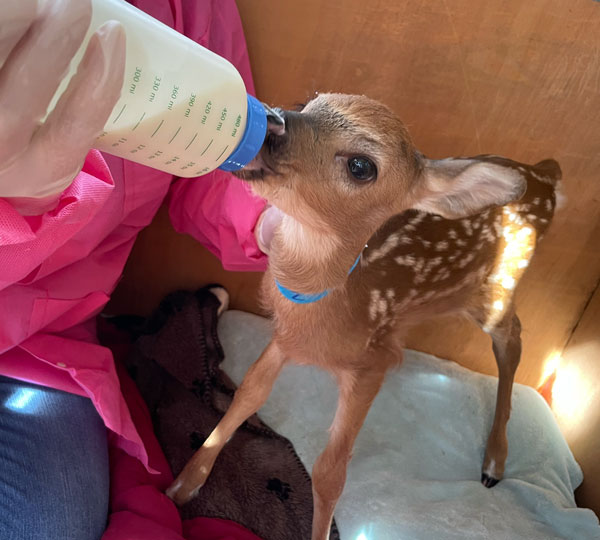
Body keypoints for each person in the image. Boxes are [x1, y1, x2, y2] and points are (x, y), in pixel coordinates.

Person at [0, 1, 270, 538]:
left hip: (40, 347)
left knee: (50, 527)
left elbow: (213, 159)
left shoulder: (194, 10)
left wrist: (274, 220)